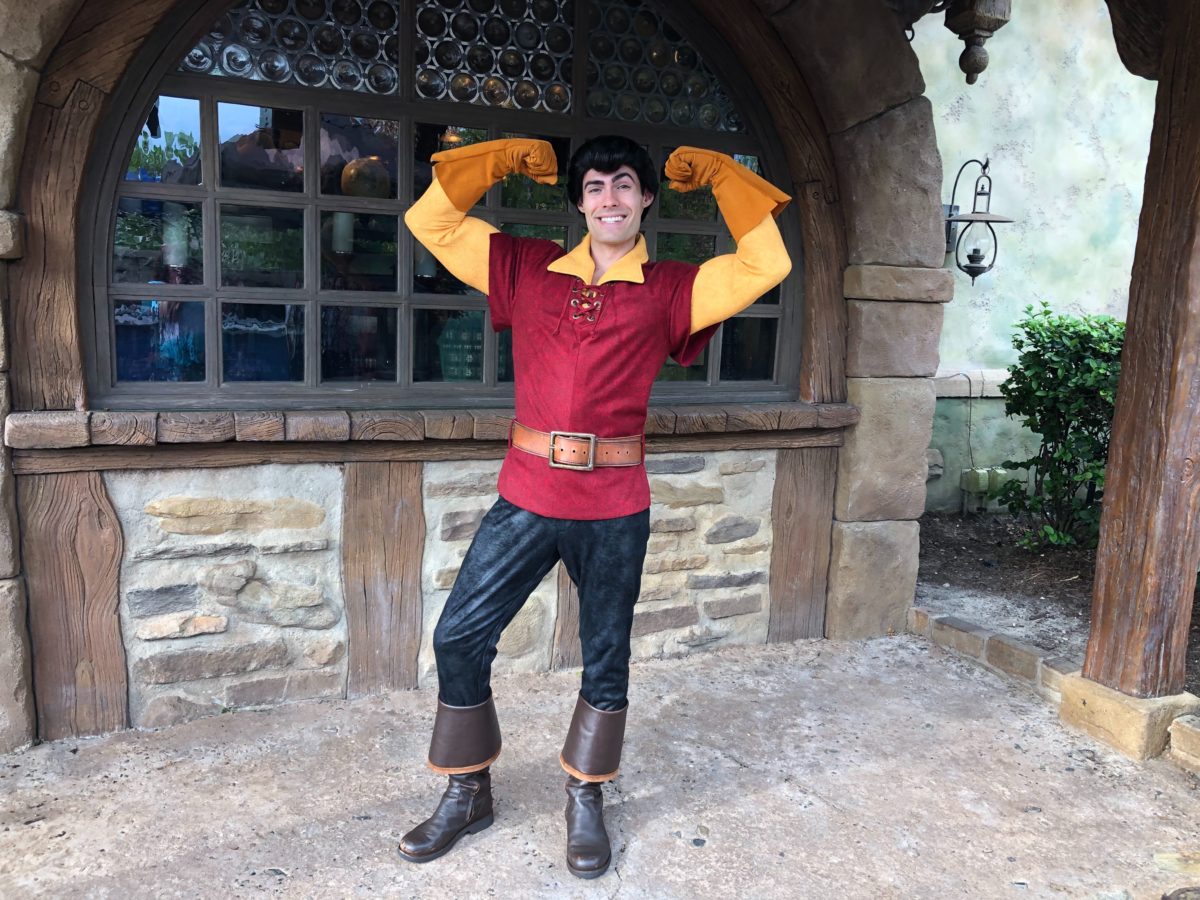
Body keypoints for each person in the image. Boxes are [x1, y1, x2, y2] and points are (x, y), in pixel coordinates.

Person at [397, 134, 791, 879]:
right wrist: (500, 159)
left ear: (646, 198)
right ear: (579, 203)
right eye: (595, 187)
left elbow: (765, 263)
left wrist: (722, 175)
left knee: (605, 656)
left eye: (624, 184)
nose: (610, 199)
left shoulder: (672, 288)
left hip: (613, 503)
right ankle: (468, 791)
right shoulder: (525, 266)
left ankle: (586, 795)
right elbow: (430, 223)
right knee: (458, 637)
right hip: (526, 495)